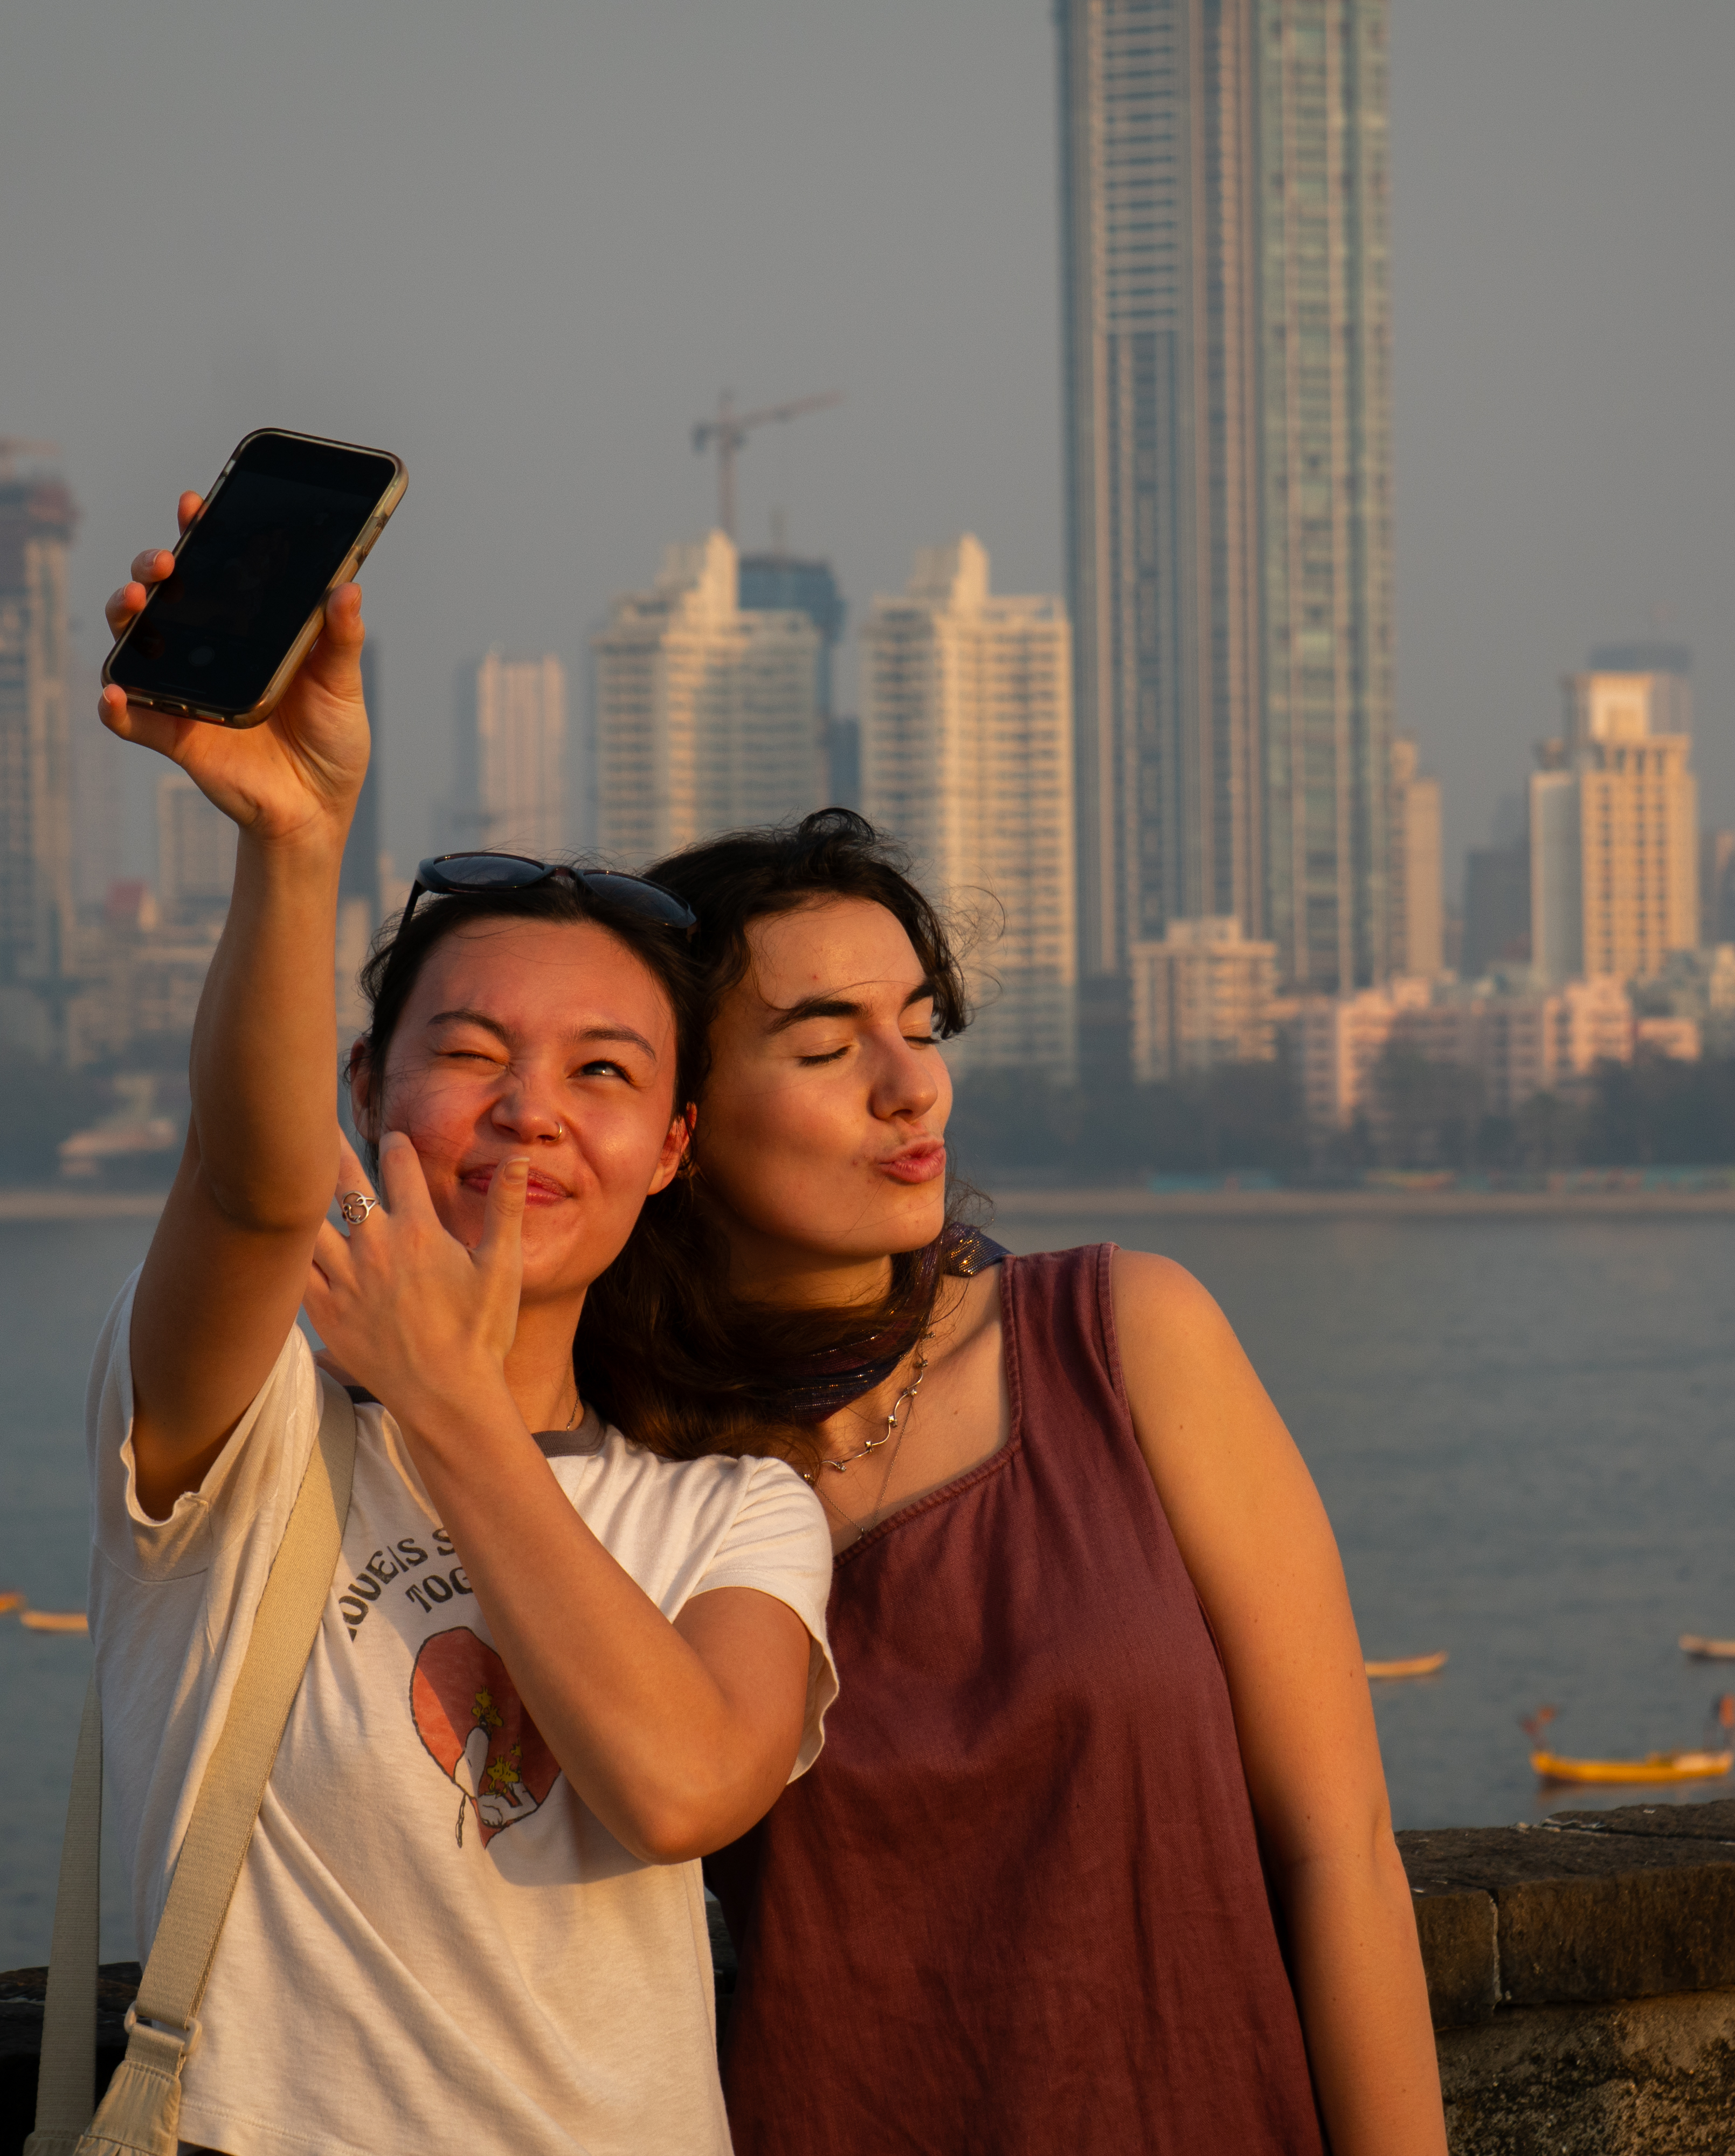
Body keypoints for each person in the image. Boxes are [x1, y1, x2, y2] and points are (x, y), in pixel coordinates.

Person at [85, 507, 835, 2156]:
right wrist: (297, 841)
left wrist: (457, 1409)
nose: (532, 1116)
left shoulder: (732, 1512)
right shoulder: (249, 1432)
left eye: (606, 1075)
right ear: (371, 1092)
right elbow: (253, 1184)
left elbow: (685, 1788)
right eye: (472, 1051)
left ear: (674, 1151)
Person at [612, 811, 1447, 2155]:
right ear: (677, 1128)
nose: (912, 1087)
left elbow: (1341, 1848)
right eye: (829, 1047)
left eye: (924, 1027)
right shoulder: (632, 1471)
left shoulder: (1127, 1338)